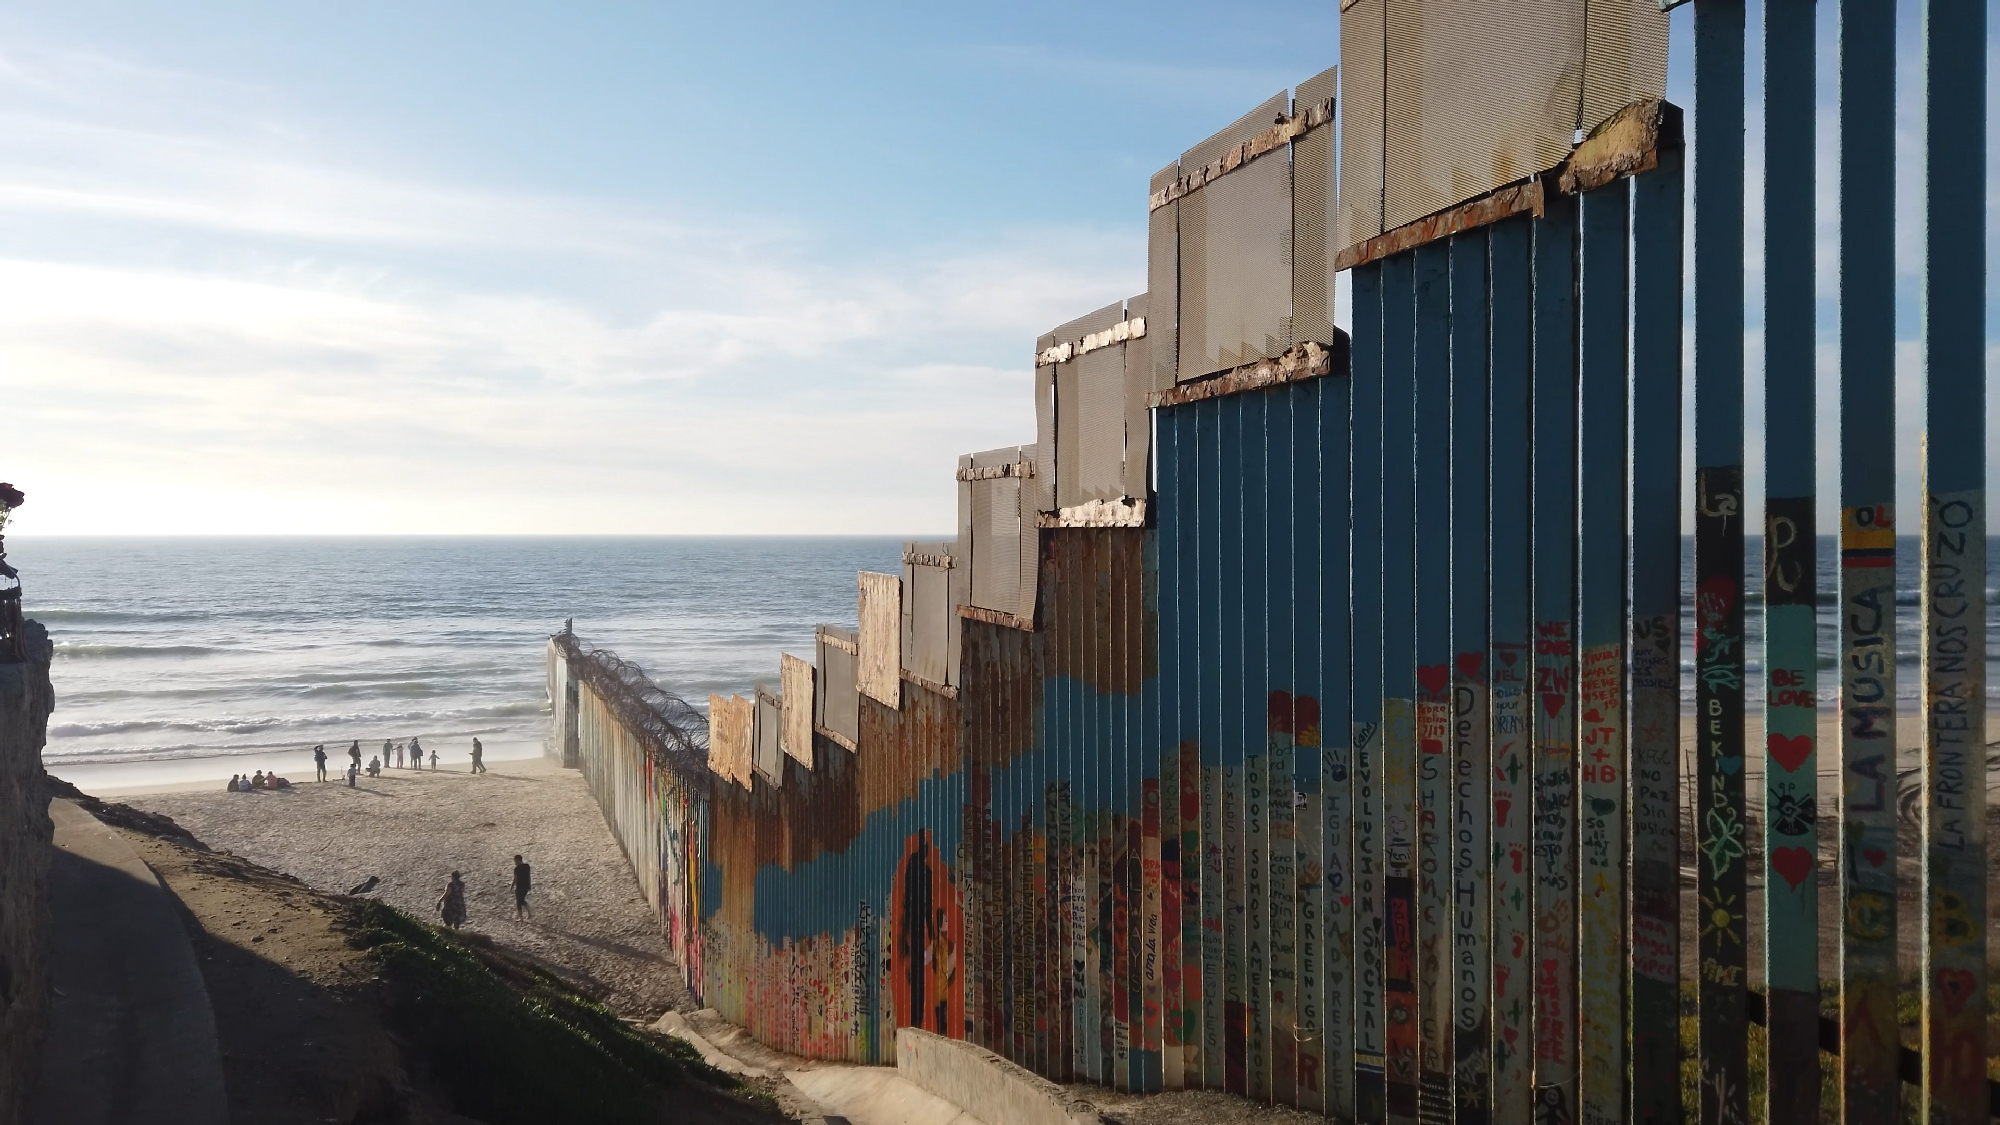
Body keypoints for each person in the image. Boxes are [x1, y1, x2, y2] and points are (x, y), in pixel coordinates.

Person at [511, 854, 532, 919]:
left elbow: (515, 879)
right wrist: (529, 885)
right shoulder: (527, 866)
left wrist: (512, 886)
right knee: (522, 900)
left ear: (517, 860)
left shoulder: (516, 869)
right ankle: (529, 913)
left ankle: (521, 918)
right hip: (526, 886)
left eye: (515, 861)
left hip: (520, 887)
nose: (515, 862)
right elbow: (529, 876)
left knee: (519, 902)